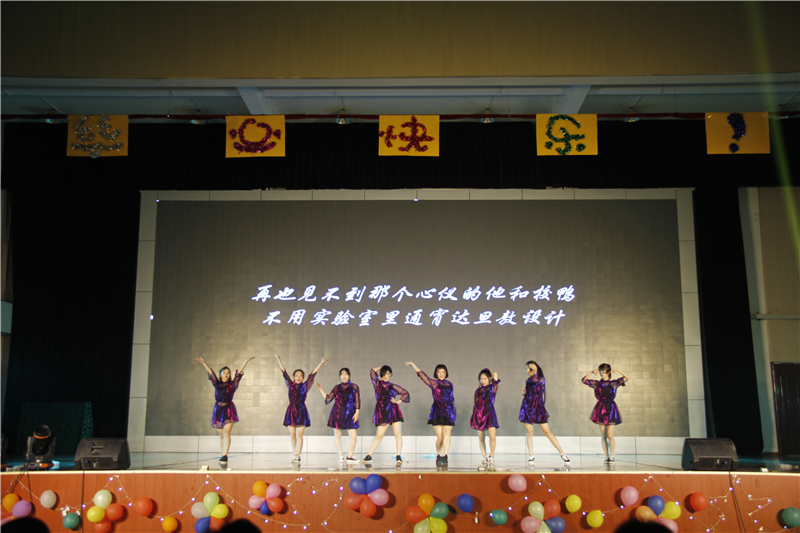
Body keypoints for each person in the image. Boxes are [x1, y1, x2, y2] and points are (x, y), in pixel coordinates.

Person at [195, 355, 255, 464]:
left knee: (227, 433)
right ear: (221, 374)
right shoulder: (217, 384)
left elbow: (238, 374)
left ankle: (225, 455)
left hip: (228, 409)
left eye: (228, 373)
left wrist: (245, 361)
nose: (226, 374)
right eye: (224, 373)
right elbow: (211, 373)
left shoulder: (232, 385)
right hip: (218, 409)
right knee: (221, 434)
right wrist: (203, 363)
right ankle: (223, 454)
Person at [274, 354, 328, 463]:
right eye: (296, 375)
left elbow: (312, 375)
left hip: (301, 411)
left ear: (302, 378)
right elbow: (284, 372)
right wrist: (278, 359)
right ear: (294, 377)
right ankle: (295, 454)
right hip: (291, 411)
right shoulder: (290, 385)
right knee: (292, 435)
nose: (298, 377)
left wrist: (321, 363)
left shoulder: (304, 386)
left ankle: (298, 455)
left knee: (299, 435)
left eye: (300, 376)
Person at [519, 361, 570, 464]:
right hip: (528, 406)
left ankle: (562, 453)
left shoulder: (540, 379)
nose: (526, 371)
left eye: (527, 368)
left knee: (547, 431)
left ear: (532, 369)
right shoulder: (529, 380)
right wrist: (523, 393)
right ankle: (531, 455)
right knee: (529, 432)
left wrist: (535, 370)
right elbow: (528, 391)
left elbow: (537, 385)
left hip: (538, 407)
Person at [406, 361, 455, 465]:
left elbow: (451, 397)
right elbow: (422, 376)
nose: (441, 374)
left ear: (446, 373)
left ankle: (445, 455)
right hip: (438, 411)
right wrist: (413, 364)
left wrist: (452, 410)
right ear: (436, 373)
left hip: (449, 411)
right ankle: (439, 454)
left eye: (443, 372)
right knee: (440, 437)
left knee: (447, 434)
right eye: (439, 372)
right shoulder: (434, 383)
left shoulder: (449, 384)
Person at [581, 363, 630, 463]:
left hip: (611, 408)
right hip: (600, 408)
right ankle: (607, 456)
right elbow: (584, 380)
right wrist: (591, 372)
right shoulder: (597, 384)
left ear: (608, 372)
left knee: (610, 435)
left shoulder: (614, 383)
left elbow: (627, 377)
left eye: (603, 372)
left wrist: (617, 370)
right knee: (603, 435)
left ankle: (612, 456)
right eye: (600, 371)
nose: (601, 374)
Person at [363, 365, 410, 464]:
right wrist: (382, 367)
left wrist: (398, 402)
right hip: (382, 411)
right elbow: (372, 371)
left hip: (393, 410)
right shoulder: (377, 384)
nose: (385, 376)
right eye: (384, 373)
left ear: (391, 375)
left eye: (388, 374)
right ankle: (369, 455)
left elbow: (405, 393)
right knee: (378, 435)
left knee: (397, 434)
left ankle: (398, 456)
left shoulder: (393, 386)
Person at [317, 367, 361, 463]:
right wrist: (321, 389)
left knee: (354, 435)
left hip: (350, 412)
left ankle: (350, 456)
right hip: (338, 412)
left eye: (346, 374)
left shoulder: (354, 386)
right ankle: (340, 456)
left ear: (349, 375)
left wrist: (357, 412)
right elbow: (328, 398)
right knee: (337, 434)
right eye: (342, 374)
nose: (343, 376)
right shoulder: (337, 387)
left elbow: (357, 400)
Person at [470, 368, 500, 464]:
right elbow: (475, 404)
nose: (482, 381)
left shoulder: (492, 387)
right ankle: (484, 456)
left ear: (489, 379)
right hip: (479, 414)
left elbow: (495, 374)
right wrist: (474, 416)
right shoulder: (478, 391)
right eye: (481, 379)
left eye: (485, 379)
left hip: (490, 412)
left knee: (492, 437)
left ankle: (492, 456)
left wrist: (489, 374)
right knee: (481, 438)